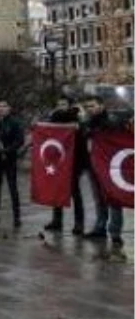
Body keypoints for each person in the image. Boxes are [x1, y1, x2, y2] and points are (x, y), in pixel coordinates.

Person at [43, 97, 99, 235]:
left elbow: (84, 134)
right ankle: (57, 220)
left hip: (76, 160)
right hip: (60, 160)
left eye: (64, 104)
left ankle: (79, 223)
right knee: (57, 189)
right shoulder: (54, 118)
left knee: (75, 191)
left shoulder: (77, 118)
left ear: (69, 106)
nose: (61, 106)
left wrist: (78, 126)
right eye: (59, 104)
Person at [83, 97, 126, 257]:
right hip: (94, 165)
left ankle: (115, 232)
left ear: (101, 106)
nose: (90, 108)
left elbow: (114, 131)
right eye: (88, 106)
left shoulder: (110, 120)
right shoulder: (88, 121)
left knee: (114, 198)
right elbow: (84, 135)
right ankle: (100, 227)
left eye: (92, 105)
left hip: (110, 167)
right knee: (99, 198)